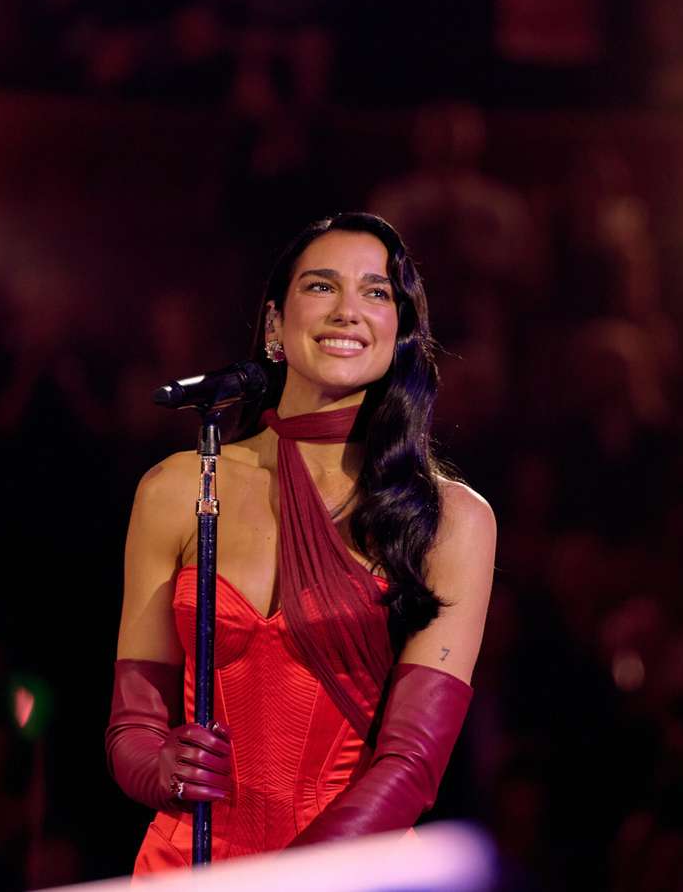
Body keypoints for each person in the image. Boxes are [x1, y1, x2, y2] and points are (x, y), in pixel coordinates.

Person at [105, 212, 496, 870]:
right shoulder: (178, 488)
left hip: (341, 873)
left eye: (376, 292)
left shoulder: (449, 518)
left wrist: (283, 880)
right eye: (321, 286)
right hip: (186, 868)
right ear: (273, 324)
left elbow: (411, 767)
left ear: (398, 330)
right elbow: (131, 730)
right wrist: (164, 767)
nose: (348, 310)